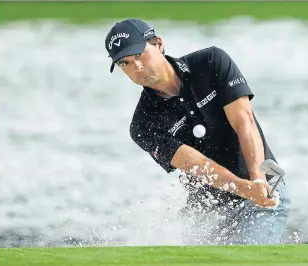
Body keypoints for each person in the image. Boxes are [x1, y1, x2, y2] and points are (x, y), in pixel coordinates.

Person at [104, 18, 292, 245]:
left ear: (159, 44)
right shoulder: (142, 126)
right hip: (212, 206)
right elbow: (197, 165)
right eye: (125, 63)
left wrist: (258, 183)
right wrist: (244, 189)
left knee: (246, 255)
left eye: (139, 55)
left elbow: (245, 124)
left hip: (267, 181)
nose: (137, 67)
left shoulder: (212, 61)